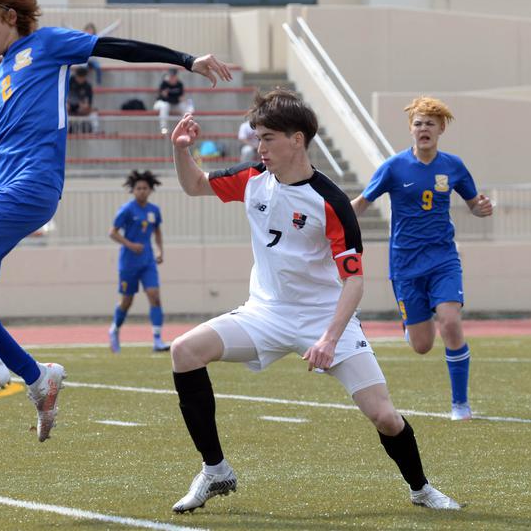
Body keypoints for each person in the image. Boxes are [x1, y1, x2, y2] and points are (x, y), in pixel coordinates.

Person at [0, 0, 230, 443]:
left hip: (33, 187)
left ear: (9, 16)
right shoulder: (2, 72)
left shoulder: (46, 45)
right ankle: (38, 378)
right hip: (8, 186)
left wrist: (186, 60)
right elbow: (1, 159)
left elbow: (117, 47)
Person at [165, 90, 460, 513]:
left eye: (267, 138)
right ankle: (215, 470)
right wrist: (181, 150)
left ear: (297, 139)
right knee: (184, 351)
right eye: (257, 138)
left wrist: (327, 338)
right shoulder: (252, 180)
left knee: (384, 417)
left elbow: (354, 284)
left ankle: (421, 489)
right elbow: (194, 184)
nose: (259, 147)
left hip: (326, 319)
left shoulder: (332, 202)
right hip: (264, 313)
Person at [350, 96, 493, 421]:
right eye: (418, 123)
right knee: (421, 345)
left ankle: (460, 405)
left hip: (443, 259)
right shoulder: (394, 167)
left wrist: (481, 209)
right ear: (411, 129)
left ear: (441, 128)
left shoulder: (453, 166)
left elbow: (473, 204)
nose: (423, 128)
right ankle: (412, 322)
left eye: (430, 122)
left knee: (451, 323)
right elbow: (361, 203)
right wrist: (334, 218)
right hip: (405, 265)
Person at [108, 170, 167, 353]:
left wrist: (159, 250)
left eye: (145, 188)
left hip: (147, 261)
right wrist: (130, 244)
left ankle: (157, 339)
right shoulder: (126, 210)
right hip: (129, 263)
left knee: (154, 296)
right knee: (127, 301)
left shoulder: (154, 211)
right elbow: (113, 233)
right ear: (133, 190)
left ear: (150, 190)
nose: (142, 191)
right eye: (138, 188)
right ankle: (114, 329)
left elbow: (157, 231)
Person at [154, 68, 193, 134]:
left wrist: (175, 98)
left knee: (184, 107)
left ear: (176, 76)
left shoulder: (179, 84)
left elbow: (181, 98)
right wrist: (174, 98)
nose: (172, 78)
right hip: (160, 103)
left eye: (173, 76)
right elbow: (164, 98)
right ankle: (164, 127)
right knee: (165, 106)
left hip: (174, 104)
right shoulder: (164, 83)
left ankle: (185, 128)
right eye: (170, 76)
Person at [66, 66, 97, 134]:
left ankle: (94, 132)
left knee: (93, 113)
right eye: (79, 77)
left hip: (80, 108)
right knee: (64, 110)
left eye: (82, 78)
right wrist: (67, 103)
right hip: (69, 107)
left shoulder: (87, 86)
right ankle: (66, 131)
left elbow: (89, 103)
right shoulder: (69, 82)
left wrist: (85, 106)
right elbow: (64, 96)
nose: (80, 80)